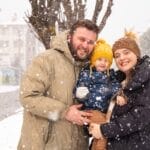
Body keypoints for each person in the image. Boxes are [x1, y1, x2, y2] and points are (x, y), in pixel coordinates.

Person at [17, 19, 100, 150]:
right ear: (70, 36)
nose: (85, 45)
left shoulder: (89, 68)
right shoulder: (46, 60)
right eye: (81, 39)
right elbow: (28, 96)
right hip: (43, 145)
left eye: (90, 42)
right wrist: (64, 112)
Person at [89, 31, 150, 150]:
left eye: (126, 53)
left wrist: (104, 130)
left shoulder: (147, 77)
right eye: (117, 55)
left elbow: (140, 117)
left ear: (136, 54)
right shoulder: (115, 82)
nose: (122, 58)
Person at [74, 39, 126, 150]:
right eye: (99, 59)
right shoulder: (88, 73)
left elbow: (116, 86)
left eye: (106, 61)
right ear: (93, 60)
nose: (103, 63)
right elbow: (81, 86)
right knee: (102, 132)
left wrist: (118, 95)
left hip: (105, 112)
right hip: (91, 111)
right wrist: (82, 92)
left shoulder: (110, 76)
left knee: (100, 136)